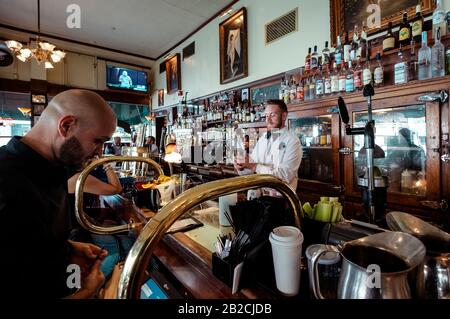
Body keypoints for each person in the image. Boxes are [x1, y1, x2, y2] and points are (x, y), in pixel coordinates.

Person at [0, 89, 117, 298]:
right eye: (98, 141)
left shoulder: (55, 166)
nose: (100, 152)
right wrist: (88, 292)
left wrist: (68, 247)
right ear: (66, 125)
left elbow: (25, 242)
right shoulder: (8, 184)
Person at [67, 162, 137, 278]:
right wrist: (105, 163)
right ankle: (93, 286)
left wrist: (98, 221)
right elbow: (116, 188)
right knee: (123, 249)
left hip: (75, 229)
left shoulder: (67, 173)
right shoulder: (79, 177)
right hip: (79, 232)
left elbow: (76, 209)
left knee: (124, 239)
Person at [234, 99, 302, 193]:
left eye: (272, 115)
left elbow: (284, 176)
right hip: (260, 195)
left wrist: (254, 166)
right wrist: (241, 166)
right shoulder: (263, 138)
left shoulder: (292, 141)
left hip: (282, 199)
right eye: (266, 116)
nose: (268, 120)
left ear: (284, 116)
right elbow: (250, 167)